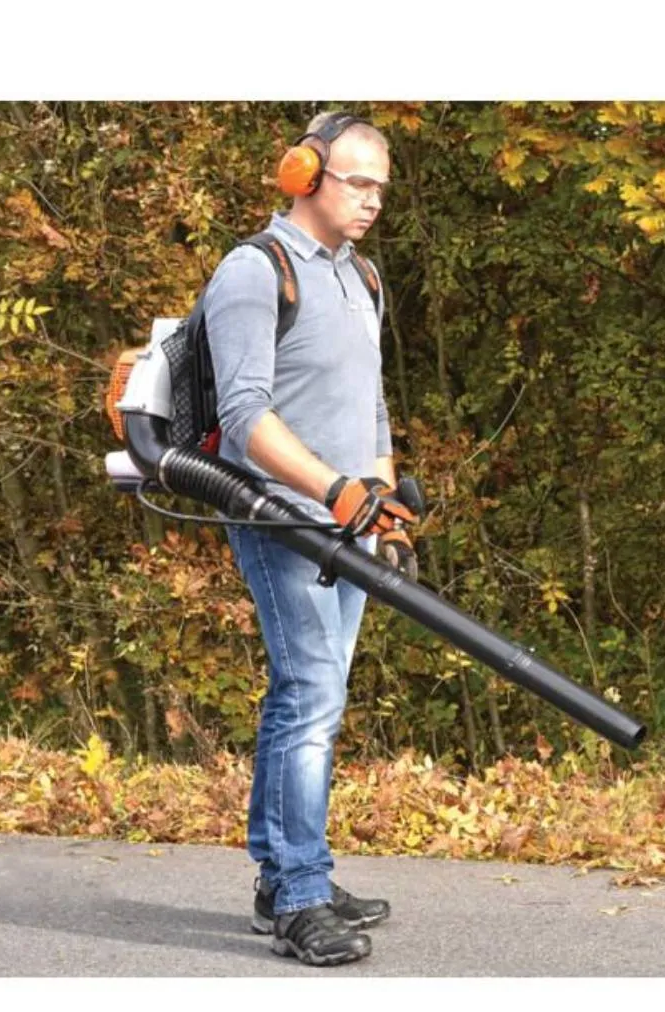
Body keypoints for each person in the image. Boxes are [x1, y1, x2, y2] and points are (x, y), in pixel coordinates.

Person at [201, 111, 416, 967]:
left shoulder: (361, 276)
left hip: (351, 518)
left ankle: (284, 876)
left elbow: (371, 402)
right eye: (357, 183)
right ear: (304, 174)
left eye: (380, 189)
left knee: (310, 695)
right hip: (281, 517)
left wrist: (382, 499)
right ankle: (299, 896)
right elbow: (243, 415)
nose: (371, 201)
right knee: (311, 694)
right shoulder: (256, 272)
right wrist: (333, 491)